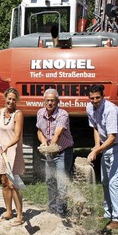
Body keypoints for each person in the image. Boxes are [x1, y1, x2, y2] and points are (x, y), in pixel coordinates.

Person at [86, 84, 118, 230]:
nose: (95, 101)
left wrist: (96, 151)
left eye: (98, 98)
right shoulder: (89, 108)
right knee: (105, 181)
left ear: (103, 96)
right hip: (106, 146)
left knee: (114, 182)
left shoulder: (111, 110)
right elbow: (95, 127)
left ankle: (117, 219)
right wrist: (96, 145)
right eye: (92, 98)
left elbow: (112, 137)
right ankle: (108, 213)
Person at [36, 88, 74, 217]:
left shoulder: (63, 114)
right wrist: (43, 143)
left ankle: (61, 212)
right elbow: (39, 131)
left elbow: (58, 133)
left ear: (57, 101)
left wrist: (50, 146)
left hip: (63, 151)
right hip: (50, 151)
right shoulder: (40, 113)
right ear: (44, 101)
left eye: (52, 100)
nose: (50, 103)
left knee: (61, 182)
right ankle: (52, 210)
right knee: (50, 180)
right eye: (47, 100)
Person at [0, 87, 25, 226]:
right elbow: (4, 127)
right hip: (2, 150)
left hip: (13, 151)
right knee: (4, 182)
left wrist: (7, 146)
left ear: (16, 100)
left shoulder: (18, 114)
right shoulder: (1, 112)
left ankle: (20, 215)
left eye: (13, 99)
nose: (10, 101)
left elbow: (16, 136)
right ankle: (9, 211)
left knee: (13, 184)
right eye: (9, 98)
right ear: (5, 98)